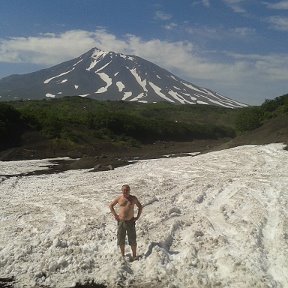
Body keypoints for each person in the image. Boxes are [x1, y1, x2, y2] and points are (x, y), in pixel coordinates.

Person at [109, 184, 143, 260]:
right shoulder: (119, 198)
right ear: (122, 191)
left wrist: (137, 217)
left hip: (130, 222)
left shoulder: (133, 198)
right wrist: (115, 215)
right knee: (121, 238)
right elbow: (111, 205)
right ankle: (123, 255)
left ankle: (134, 256)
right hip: (121, 222)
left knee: (132, 239)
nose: (125, 191)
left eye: (127, 190)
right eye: (124, 190)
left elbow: (140, 206)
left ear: (129, 190)